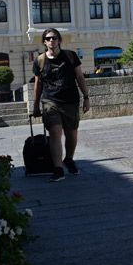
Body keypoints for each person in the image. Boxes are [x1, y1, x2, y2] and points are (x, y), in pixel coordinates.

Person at [32, 28, 90, 182]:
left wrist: (86, 97)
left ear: (59, 40)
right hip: (50, 101)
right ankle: (58, 169)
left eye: (55, 38)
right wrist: (35, 104)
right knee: (55, 132)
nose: (52, 41)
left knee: (71, 134)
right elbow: (37, 84)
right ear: (44, 42)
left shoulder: (70, 56)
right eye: (49, 38)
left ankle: (68, 159)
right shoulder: (40, 60)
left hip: (70, 101)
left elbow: (79, 76)